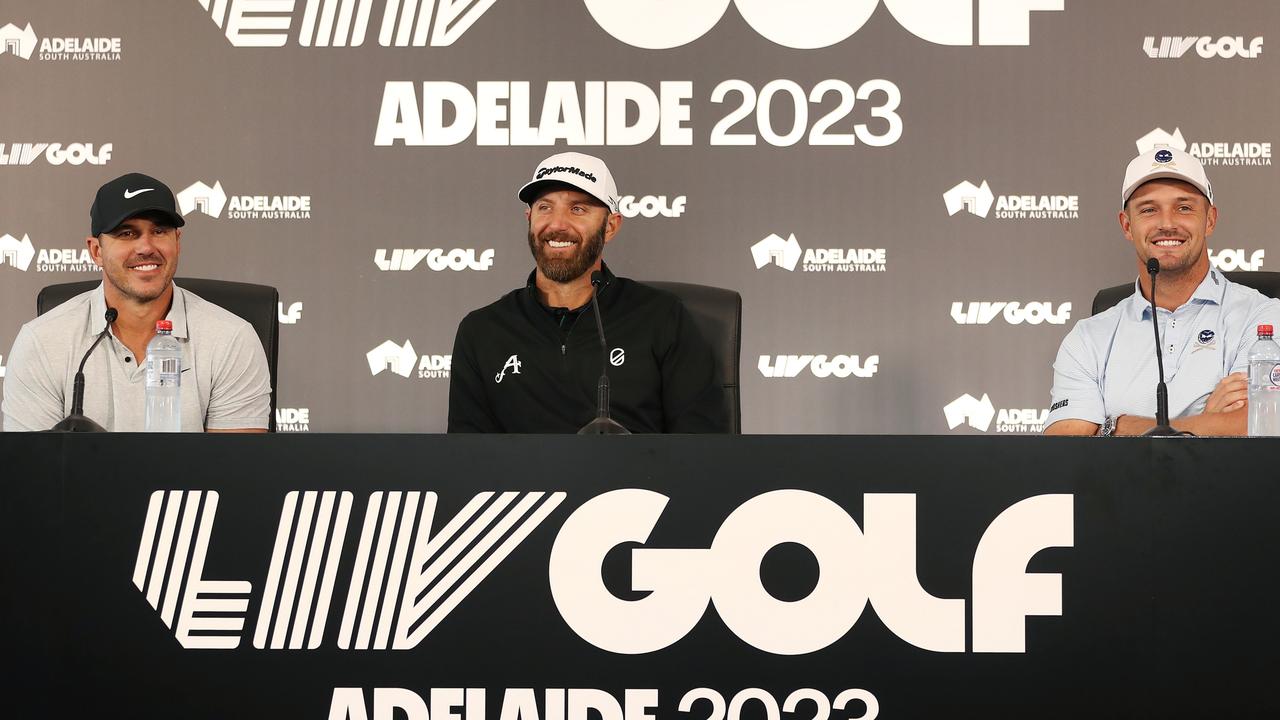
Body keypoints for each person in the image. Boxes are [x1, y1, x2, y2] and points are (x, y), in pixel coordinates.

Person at [448, 152, 727, 433]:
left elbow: (702, 452)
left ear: (611, 226)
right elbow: (468, 463)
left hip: (635, 478)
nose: (557, 224)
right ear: (529, 218)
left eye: (578, 209)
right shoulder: (483, 330)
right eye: (545, 207)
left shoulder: (662, 317)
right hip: (519, 479)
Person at [1, 173, 271, 432]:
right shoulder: (42, 341)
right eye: (127, 233)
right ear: (96, 250)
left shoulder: (231, 338)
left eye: (159, 231)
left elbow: (232, 472)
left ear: (177, 242)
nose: (145, 247)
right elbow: (35, 472)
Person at [1044, 147, 1280, 436]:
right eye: (1148, 209)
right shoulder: (1088, 337)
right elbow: (1067, 443)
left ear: (1209, 220)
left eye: (1184, 207)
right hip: (1122, 485)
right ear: (1127, 225)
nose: (1167, 224)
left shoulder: (1263, 317)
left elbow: (1259, 423)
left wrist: (1114, 427)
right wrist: (1207, 422)